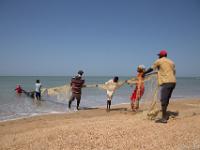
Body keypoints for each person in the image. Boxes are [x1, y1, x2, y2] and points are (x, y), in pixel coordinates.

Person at [144, 50, 176, 123]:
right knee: (167, 99)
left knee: (163, 100)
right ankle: (165, 115)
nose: (158, 56)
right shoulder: (171, 62)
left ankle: (164, 118)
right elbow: (172, 72)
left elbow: (152, 68)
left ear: (161, 55)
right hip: (173, 82)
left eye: (159, 55)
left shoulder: (159, 61)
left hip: (166, 82)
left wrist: (144, 73)